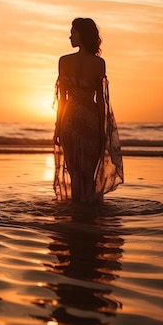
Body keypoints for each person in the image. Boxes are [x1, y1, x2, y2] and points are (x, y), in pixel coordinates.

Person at [53, 18, 123, 204]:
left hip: (70, 119)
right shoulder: (98, 63)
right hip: (90, 119)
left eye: (73, 32)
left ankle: (78, 211)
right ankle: (88, 212)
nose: (70, 36)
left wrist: (58, 127)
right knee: (88, 173)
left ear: (82, 35)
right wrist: (102, 129)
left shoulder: (64, 61)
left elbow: (63, 99)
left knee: (75, 172)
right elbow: (101, 101)